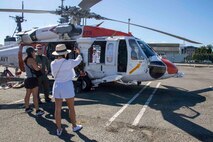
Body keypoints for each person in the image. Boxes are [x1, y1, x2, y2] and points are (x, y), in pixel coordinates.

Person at [51, 44, 83, 136]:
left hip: (57, 85)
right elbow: (78, 60)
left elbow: (53, 74)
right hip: (67, 85)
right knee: (71, 108)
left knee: (57, 109)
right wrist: (79, 53)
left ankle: (59, 129)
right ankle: (74, 126)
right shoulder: (68, 62)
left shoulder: (52, 63)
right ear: (65, 53)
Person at [23, 47, 44, 116]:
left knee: (27, 94)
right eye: (34, 52)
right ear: (31, 52)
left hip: (27, 78)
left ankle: (27, 108)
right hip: (33, 79)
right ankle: (37, 110)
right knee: (35, 95)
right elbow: (36, 69)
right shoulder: (31, 59)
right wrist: (40, 67)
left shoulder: (25, 59)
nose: (35, 53)